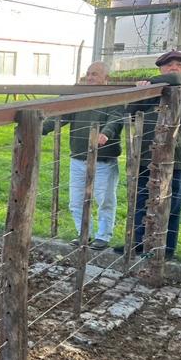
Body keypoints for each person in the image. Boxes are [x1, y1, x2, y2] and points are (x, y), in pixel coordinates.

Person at [122, 49, 181, 259]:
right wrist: (140, 92)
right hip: (147, 155)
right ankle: (139, 244)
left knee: (171, 205)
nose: (174, 68)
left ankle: (165, 249)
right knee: (142, 200)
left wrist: (150, 83)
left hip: (178, 156)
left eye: (179, 64)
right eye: (169, 65)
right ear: (160, 68)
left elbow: (176, 80)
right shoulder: (150, 88)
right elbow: (129, 112)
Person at [42, 62, 123, 249]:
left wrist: (106, 133)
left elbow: (116, 118)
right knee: (76, 201)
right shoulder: (80, 95)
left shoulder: (114, 96)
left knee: (104, 199)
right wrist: (42, 128)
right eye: (88, 74)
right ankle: (83, 234)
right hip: (78, 158)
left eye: (95, 74)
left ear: (106, 78)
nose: (90, 78)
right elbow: (62, 115)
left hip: (104, 159)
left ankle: (103, 236)